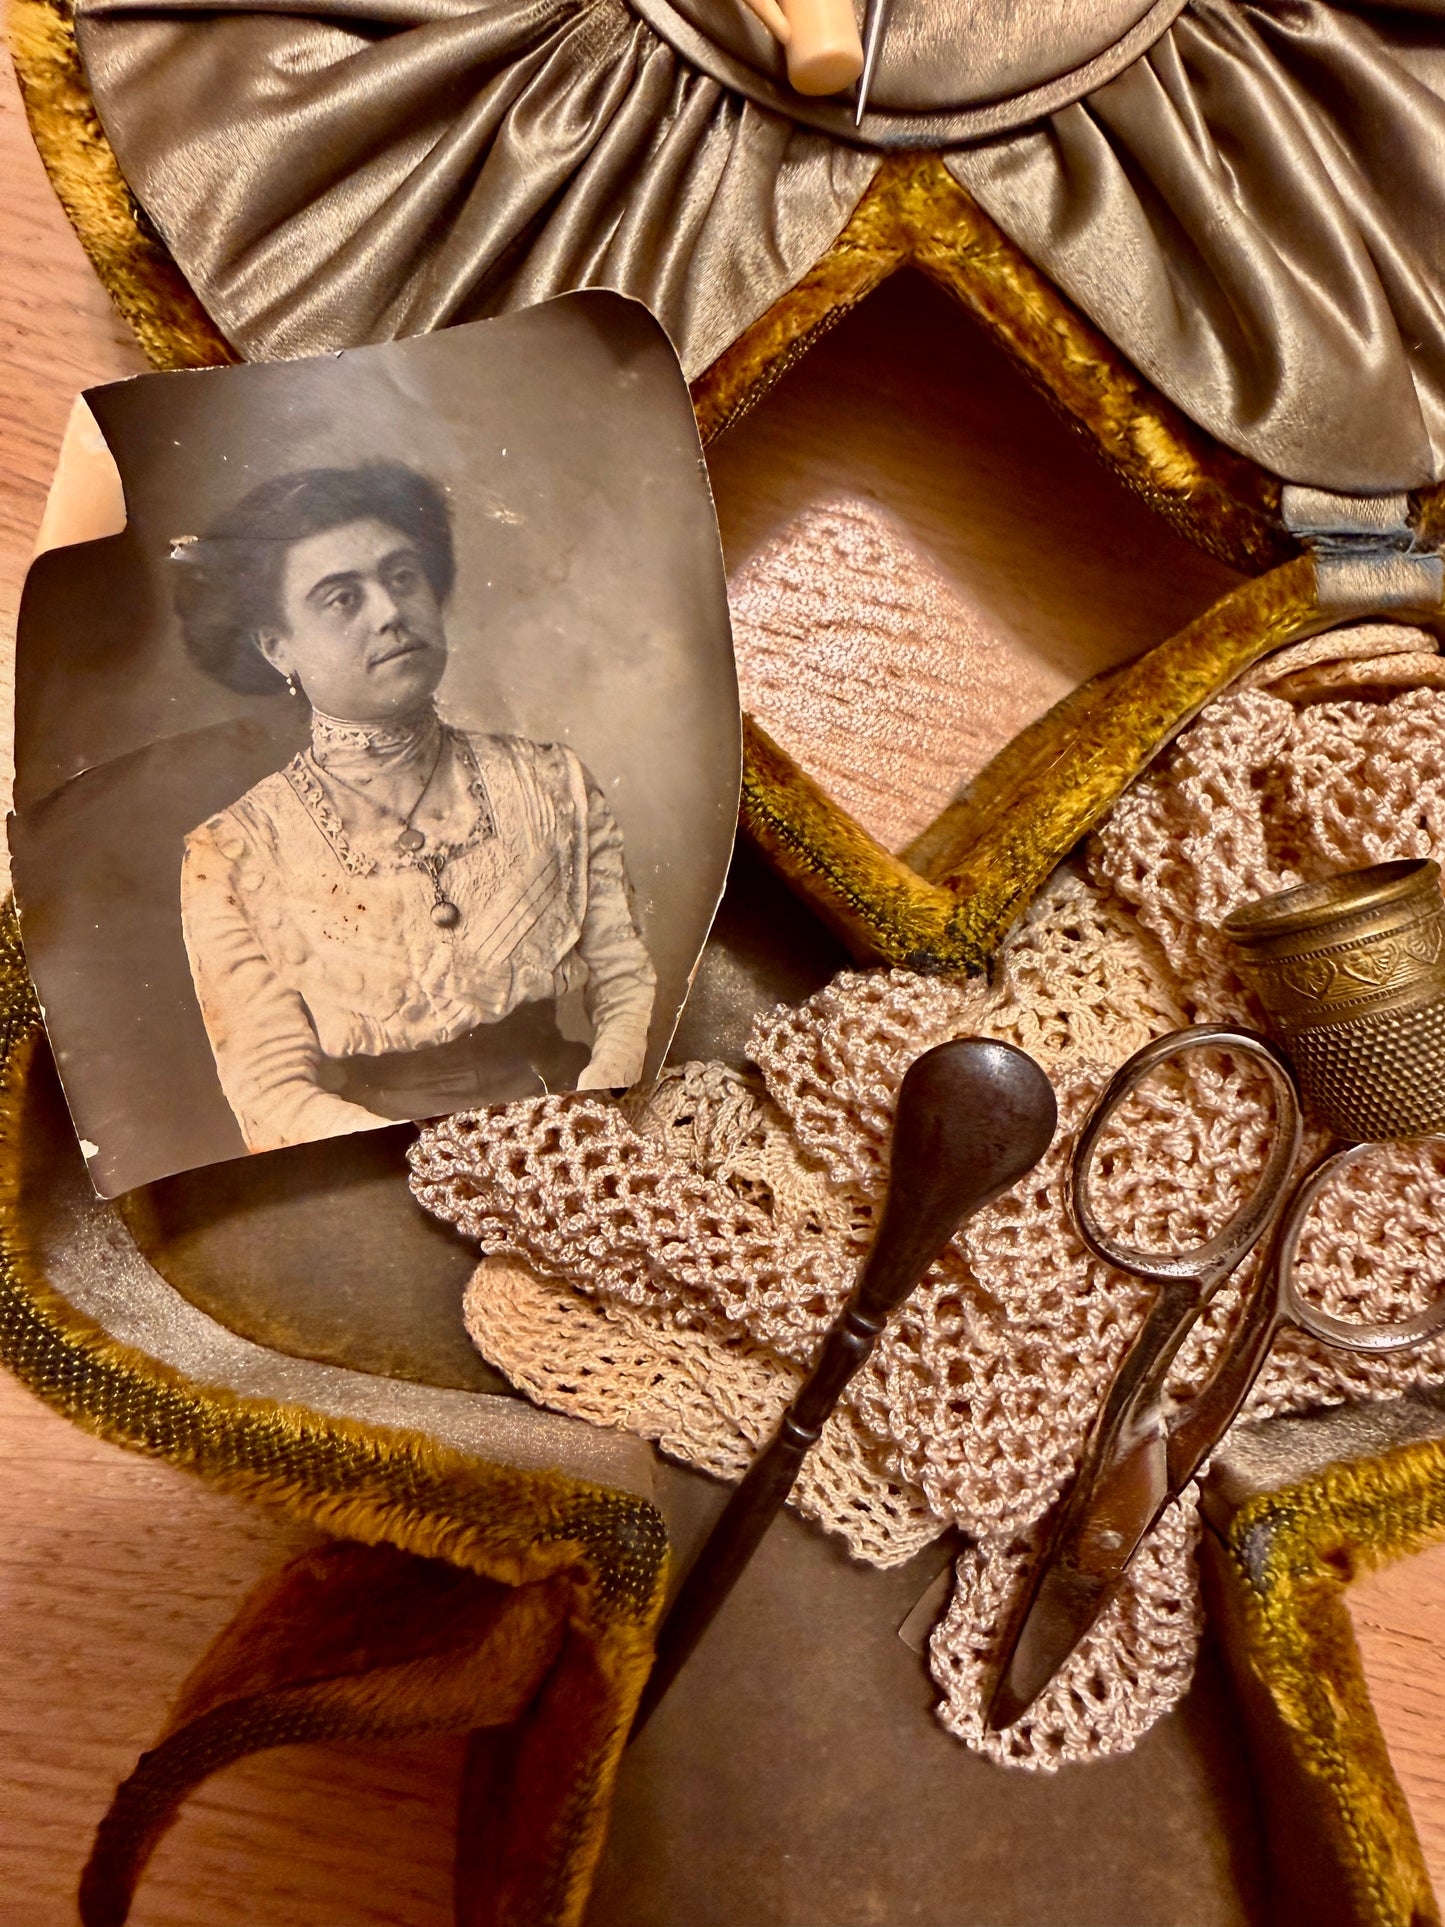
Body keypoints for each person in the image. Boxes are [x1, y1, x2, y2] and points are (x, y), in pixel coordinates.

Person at [175, 461, 656, 1153]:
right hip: (377, 1160)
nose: (390, 612)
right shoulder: (233, 854)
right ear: (277, 647)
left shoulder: (552, 782)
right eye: (342, 598)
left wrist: (589, 1119)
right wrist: (443, 1167)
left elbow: (626, 984)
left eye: (401, 577)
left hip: (580, 1125)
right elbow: (269, 1090)